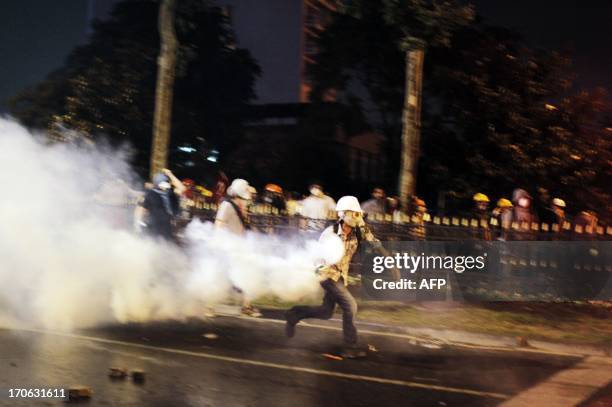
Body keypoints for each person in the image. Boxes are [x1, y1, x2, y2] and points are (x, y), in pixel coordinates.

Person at [285, 196, 380, 358]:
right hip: (328, 275)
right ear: (343, 215)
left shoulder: (358, 231)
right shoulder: (330, 234)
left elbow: (374, 242)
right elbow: (317, 257)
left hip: (340, 276)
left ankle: (295, 314)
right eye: (354, 214)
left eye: (358, 214)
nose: (358, 217)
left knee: (326, 312)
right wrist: (319, 269)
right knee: (350, 306)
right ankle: (350, 347)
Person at [214, 178, 262, 317]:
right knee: (219, 278)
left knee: (247, 275)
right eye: (246, 189)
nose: (249, 193)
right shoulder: (227, 205)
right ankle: (209, 305)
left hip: (240, 247)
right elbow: (219, 225)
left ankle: (247, 306)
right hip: (228, 247)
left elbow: (242, 225)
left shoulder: (242, 204)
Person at [134, 169, 185, 242]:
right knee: (155, 248)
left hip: (167, 228)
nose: (167, 184)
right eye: (164, 182)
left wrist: (170, 174)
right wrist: (138, 223)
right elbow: (140, 209)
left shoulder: (170, 194)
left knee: (166, 248)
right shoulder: (150, 194)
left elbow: (182, 188)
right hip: (154, 228)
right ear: (158, 183)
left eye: (167, 182)